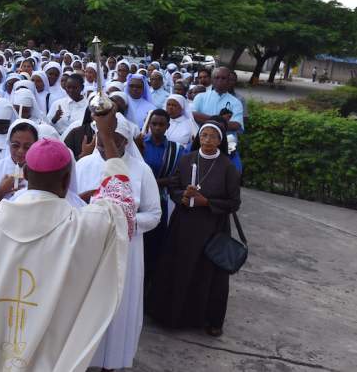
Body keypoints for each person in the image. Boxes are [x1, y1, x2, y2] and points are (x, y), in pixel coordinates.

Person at [0, 111, 136, 372]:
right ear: (66, 180)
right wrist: (107, 137)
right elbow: (122, 208)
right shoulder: (81, 228)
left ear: (26, 174)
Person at [77, 113, 161, 371]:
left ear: (127, 141)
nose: (108, 144)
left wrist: (125, 220)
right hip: (87, 247)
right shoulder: (81, 166)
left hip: (127, 248)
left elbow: (154, 214)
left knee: (119, 306)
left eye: (117, 139)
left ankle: (112, 361)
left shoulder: (141, 170)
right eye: (104, 138)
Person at [148, 121, 241, 337]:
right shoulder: (187, 159)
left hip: (212, 228)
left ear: (220, 141)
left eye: (213, 136)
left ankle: (206, 320)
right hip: (183, 224)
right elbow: (173, 186)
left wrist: (206, 202)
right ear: (199, 137)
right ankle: (169, 315)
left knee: (208, 274)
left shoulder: (228, 167)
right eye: (204, 135)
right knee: (177, 267)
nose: (208, 140)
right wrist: (184, 196)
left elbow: (234, 203)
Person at [141, 109, 184, 288]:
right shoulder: (139, 145)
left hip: (160, 199)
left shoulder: (176, 150)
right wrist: (160, 181)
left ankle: (151, 283)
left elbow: (176, 178)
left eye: (161, 125)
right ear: (149, 124)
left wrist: (154, 183)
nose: (157, 128)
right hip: (139, 200)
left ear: (168, 126)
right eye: (154, 124)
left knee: (156, 243)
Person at [0, 119, 39, 213]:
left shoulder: (40, 173)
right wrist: (1, 191)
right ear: (9, 143)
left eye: (27, 147)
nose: (20, 151)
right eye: (15, 145)